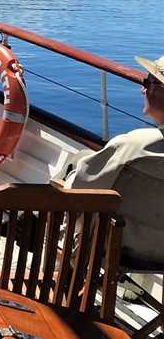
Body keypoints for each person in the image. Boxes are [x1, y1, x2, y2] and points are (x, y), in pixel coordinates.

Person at [67, 54, 164, 263]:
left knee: (77, 165)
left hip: (115, 248)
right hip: (159, 250)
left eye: (148, 82)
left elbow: (77, 191)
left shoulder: (134, 145)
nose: (142, 89)